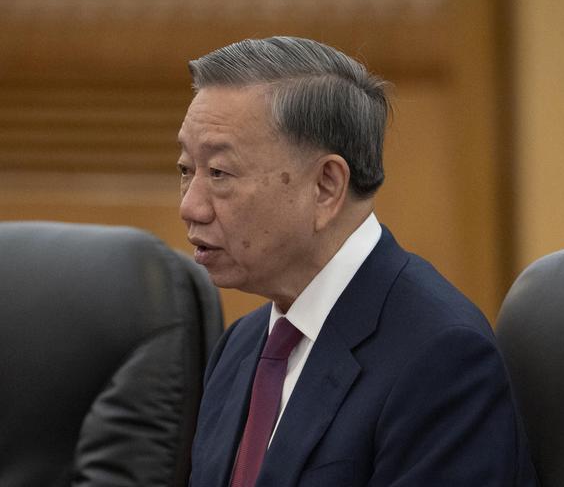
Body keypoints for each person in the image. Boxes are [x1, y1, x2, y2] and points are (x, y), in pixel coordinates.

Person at [178, 36, 537, 487]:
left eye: (219, 174)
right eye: (186, 170)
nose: (191, 207)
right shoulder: (241, 347)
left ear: (326, 186)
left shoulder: (441, 357)